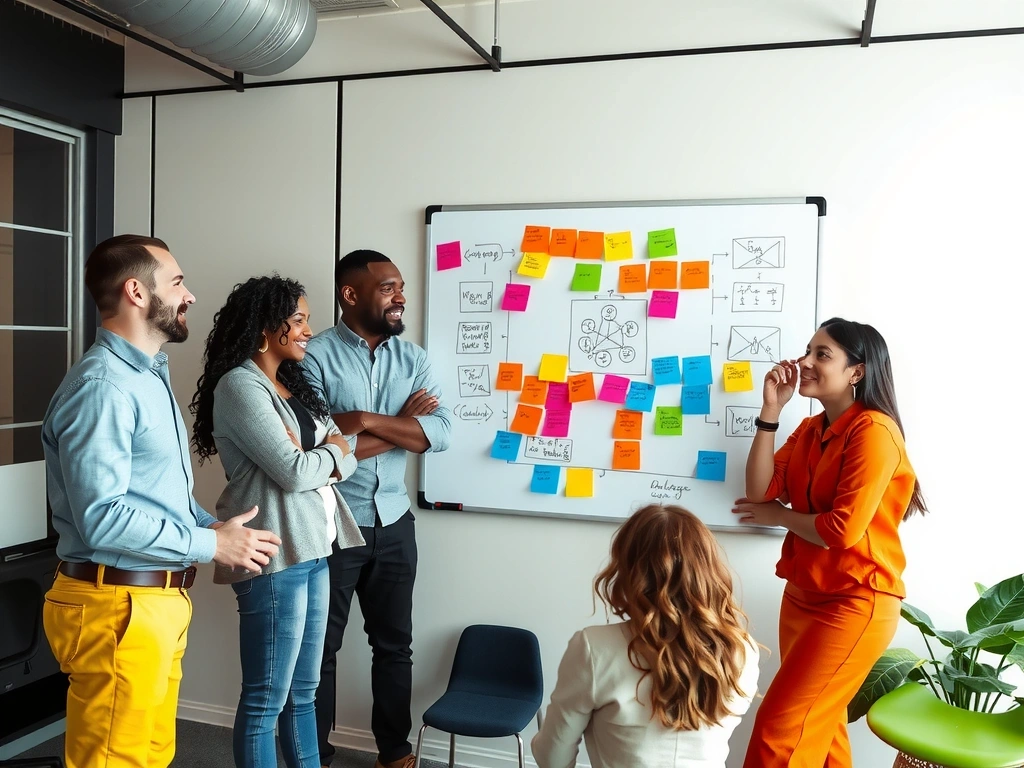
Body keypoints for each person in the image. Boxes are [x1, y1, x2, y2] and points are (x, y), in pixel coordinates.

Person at [41, 234, 281, 768]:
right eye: (176, 282)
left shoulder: (147, 377)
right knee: (113, 760)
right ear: (136, 292)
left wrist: (214, 528)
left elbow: (154, 495)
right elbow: (102, 518)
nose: (189, 295)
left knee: (151, 755)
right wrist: (208, 544)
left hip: (152, 602)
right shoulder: (103, 386)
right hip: (116, 604)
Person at [733, 317, 926, 768]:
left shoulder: (874, 432)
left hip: (856, 601)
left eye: (822, 354)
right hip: (803, 595)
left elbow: (841, 530)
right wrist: (771, 412)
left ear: (857, 372)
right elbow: (761, 489)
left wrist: (779, 517)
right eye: (808, 351)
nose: (805, 362)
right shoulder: (811, 429)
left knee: (779, 731)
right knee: (821, 728)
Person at [189, 276, 366, 768]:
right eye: (300, 319)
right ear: (268, 329)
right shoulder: (240, 386)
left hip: (314, 548)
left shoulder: (294, 384)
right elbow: (292, 472)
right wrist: (330, 452)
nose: (310, 329)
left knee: (304, 692)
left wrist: (328, 452)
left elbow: (342, 450)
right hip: (271, 553)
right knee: (267, 696)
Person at [302, 249, 451, 768]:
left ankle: (394, 752)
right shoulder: (313, 356)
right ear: (351, 295)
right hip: (332, 524)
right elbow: (316, 446)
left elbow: (440, 434)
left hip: (394, 522)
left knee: (394, 647)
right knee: (320, 652)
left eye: (400, 287)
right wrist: (397, 424)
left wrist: (363, 420)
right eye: (388, 288)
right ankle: (314, 754)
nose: (400, 297)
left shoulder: (414, 359)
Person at [531, 504, 760, 768]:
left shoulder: (593, 648)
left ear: (628, 570)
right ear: (708, 570)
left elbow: (552, 758)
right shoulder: (742, 650)